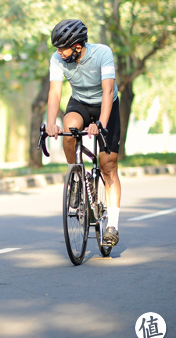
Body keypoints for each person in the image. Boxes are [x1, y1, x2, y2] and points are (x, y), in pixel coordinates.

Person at [45, 19, 122, 246]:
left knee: (108, 167)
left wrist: (100, 124)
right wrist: (51, 123)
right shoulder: (57, 59)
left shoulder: (102, 53)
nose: (58, 53)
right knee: (69, 128)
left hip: (107, 105)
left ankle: (113, 226)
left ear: (77, 46)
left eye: (62, 48)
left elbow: (108, 91)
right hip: (80, 102)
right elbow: (55, 93)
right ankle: (75, 175)